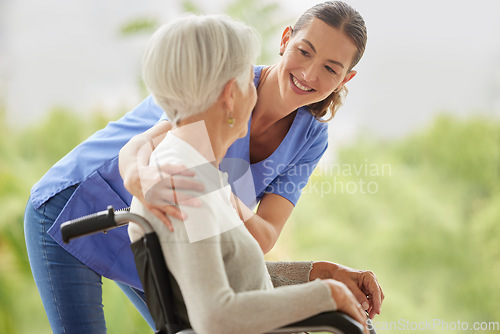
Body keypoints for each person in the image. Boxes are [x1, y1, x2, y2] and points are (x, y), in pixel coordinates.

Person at [23, 2, 383, 333]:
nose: (308, 72)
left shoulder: (308, 138)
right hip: (75, 205)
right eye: (304, 51)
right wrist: (140, 177)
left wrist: (318, 274)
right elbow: (145, 144)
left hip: (162, 227)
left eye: (330, 68)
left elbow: (259, 240)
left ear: (345, 78)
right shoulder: (220, 83)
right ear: (286, 39)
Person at [128, 13, 369, 333]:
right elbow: (215, 316)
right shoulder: (187, 179)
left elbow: (236, 269)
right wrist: (326, 295)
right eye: (248, 81)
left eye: (329, 67)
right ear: (230, 93)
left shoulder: (200, 171)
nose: (256, 89)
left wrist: (318, 275)